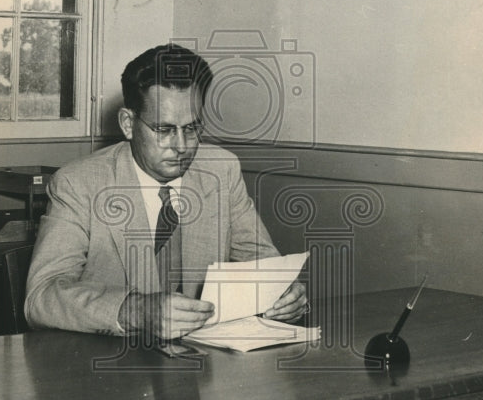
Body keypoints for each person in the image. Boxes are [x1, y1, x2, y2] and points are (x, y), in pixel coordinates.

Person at [25, 43, 308, 339]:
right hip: (109, 363)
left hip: (203, 363)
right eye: (163, 130)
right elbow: (41, 298)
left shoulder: (221, 170)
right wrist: (134, 312)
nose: (181, 146)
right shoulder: (79, 184)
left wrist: (285, 294)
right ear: (128, 124)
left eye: (192, 129)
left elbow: (265, 266)